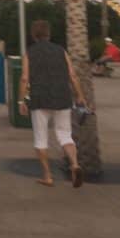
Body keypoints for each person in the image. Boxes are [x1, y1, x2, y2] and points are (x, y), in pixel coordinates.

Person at [19, 20, 88, 188]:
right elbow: (73, 76)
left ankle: (48, 176)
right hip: (62, 97)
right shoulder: (60, 51)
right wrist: (79, 96)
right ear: (48, 34)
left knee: (41, 138)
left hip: (39, 99)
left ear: (33, 35)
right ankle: (75, 165)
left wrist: (22, 100)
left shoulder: (30, 52)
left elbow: (24, 78)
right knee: (65, 135)